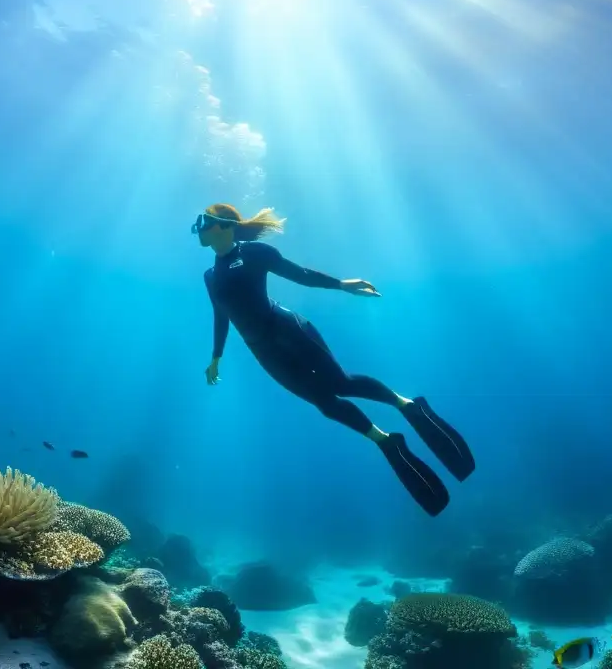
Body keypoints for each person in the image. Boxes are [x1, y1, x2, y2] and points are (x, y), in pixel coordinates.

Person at [194, 203, 475, 516]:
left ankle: (407, 405)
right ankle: (385, 442)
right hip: (263, 350)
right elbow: (221, 315)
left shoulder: (255, 252)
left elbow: (299, 275)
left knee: (341, 383)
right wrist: (216, 357)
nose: (198, 228)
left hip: (288, 331)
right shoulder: (210, 275)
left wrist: (342, 285)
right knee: (325, 403)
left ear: (224, 225)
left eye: (203, 221)